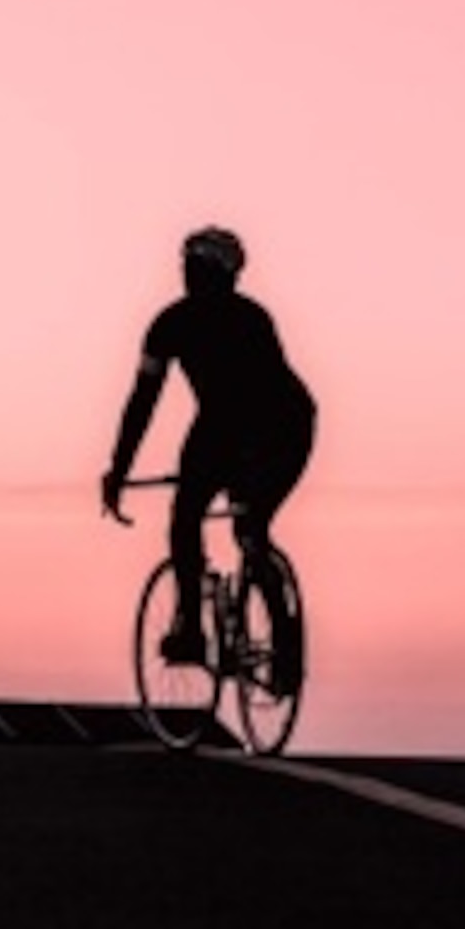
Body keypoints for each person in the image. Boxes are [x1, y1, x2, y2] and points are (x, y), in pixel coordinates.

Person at [101, 227, 319, 681]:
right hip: (220, 425)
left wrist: (244, 474)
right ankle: (191, 627)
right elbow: (142, 400)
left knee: (250, 527)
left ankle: (284, 645)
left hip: (281, 427)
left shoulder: (251, 320)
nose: (189, 277)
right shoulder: (169, 325)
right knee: (184, 517)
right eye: (187, 268)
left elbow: (265, 396)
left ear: (224, 277)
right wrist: (118, 468)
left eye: (198, 269)